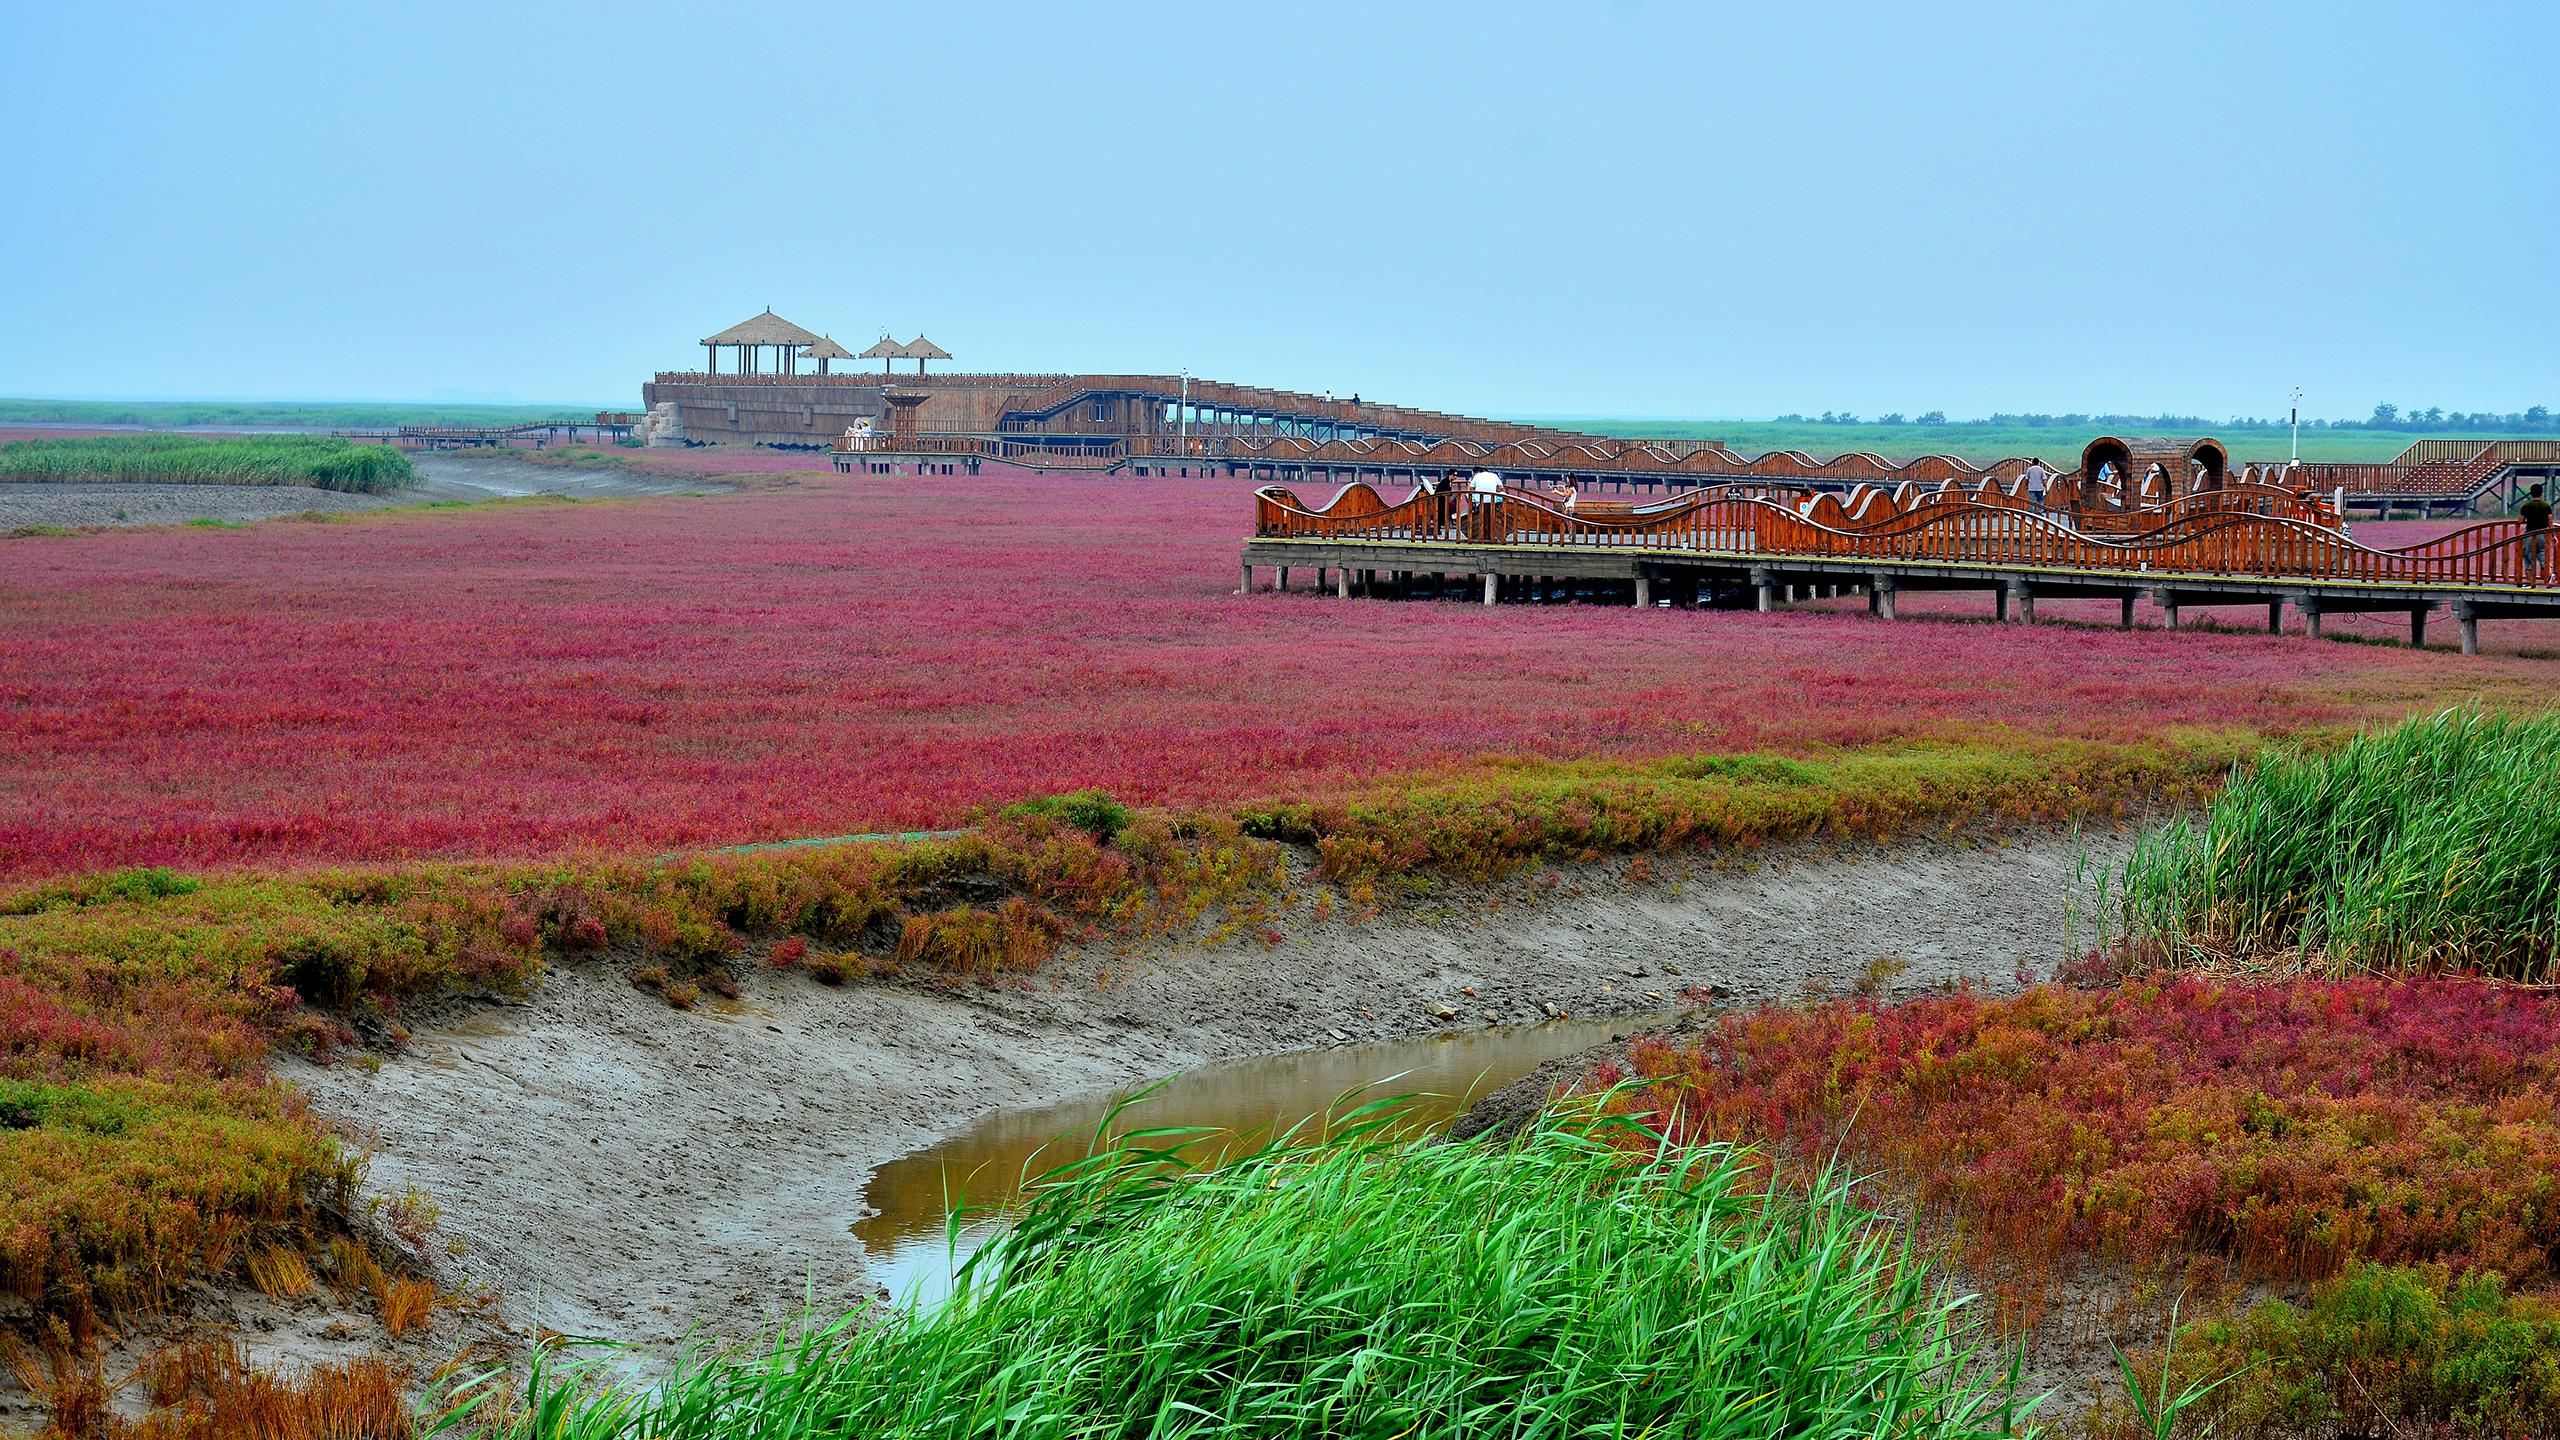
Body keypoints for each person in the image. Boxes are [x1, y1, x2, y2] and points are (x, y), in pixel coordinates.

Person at [2522, 484, 2551, 572]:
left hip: (2530, 534)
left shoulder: (2526, 506)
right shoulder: (2546, 506)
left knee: (2528, 555)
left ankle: (2531, 581)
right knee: (2542, 554)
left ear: (2531, 493)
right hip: (2542, 534)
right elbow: (2550, 521)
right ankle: (2548, 576)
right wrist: (2553, 535)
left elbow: (2520, 520)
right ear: (2541, 493)